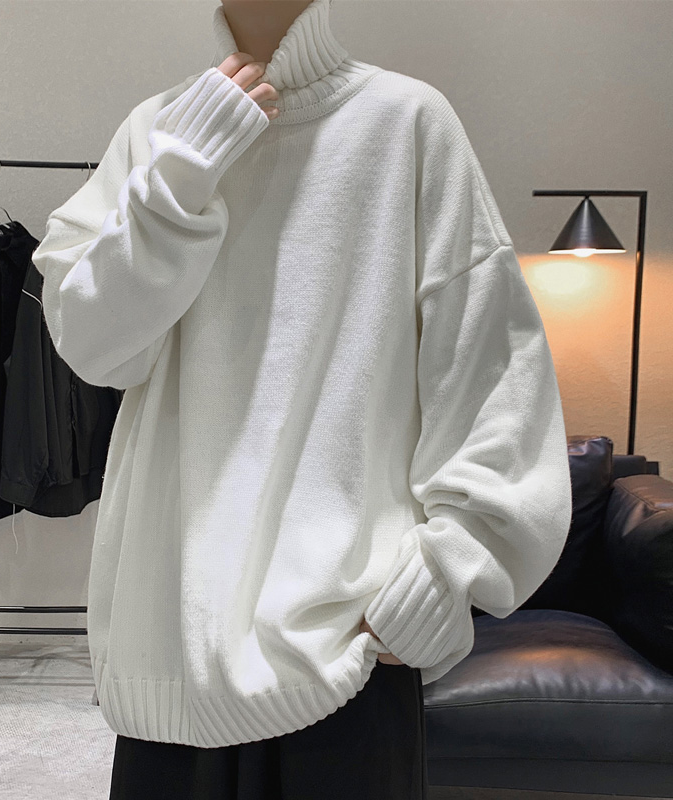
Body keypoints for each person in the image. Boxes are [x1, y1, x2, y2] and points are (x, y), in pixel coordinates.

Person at [31, 0, 573, 797]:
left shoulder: (406, 123)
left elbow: (491, 370)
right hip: (169, 660)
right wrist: (178, 180)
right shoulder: (156, 132)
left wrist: (449, 568)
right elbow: (94, 344)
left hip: (350, 648)